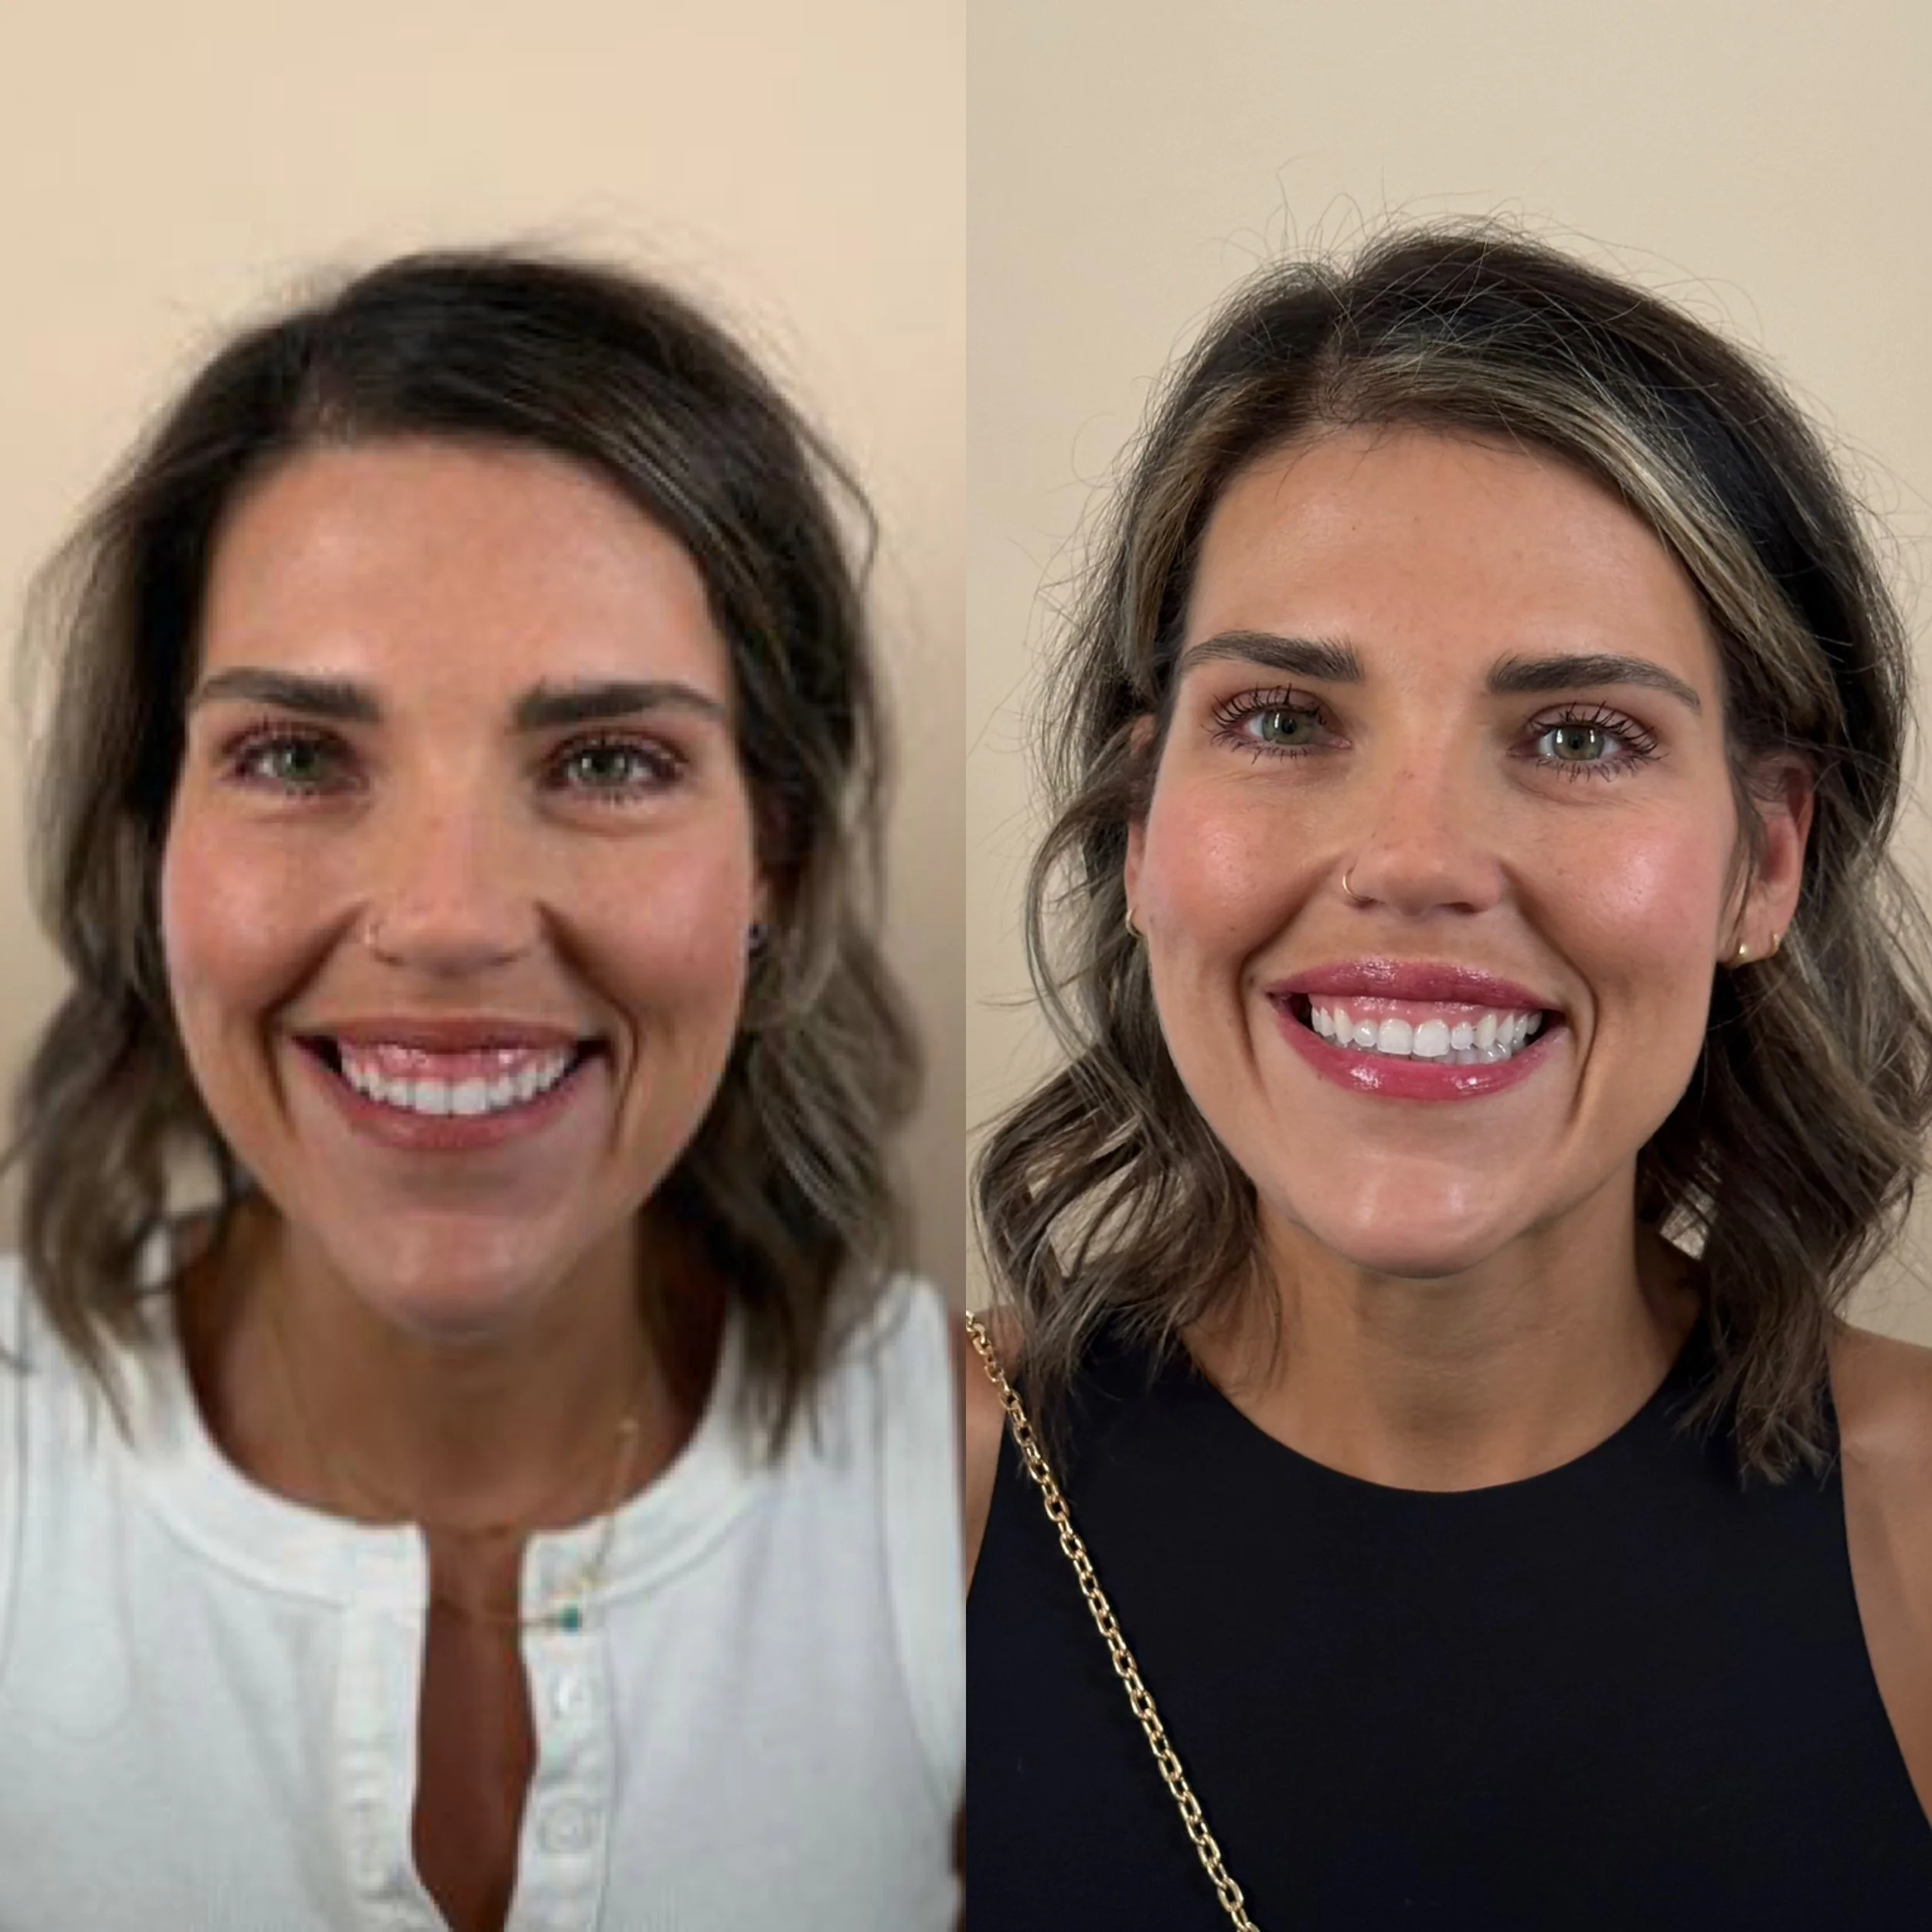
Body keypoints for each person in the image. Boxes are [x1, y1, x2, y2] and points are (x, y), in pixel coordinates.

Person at [963, 225, 1932, 1927]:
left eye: (1575, 737)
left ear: (1759, 860)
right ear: (1140, 825)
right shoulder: (878, 1504)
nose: (1411, 861)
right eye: (1280, 718)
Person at [0, 250, 961, 1931]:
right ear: (154, 852)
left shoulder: (978, 1499)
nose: (445, 916)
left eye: (605, 762)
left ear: (779, 866)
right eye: (295, 756)